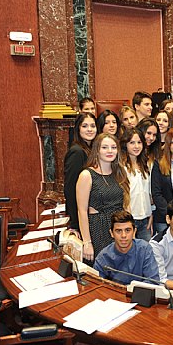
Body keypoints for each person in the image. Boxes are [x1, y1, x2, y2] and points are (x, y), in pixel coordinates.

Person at [76, 133, 128, 262]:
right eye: (104, 147)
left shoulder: (120, 173)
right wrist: (87, 242)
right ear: (97, 150)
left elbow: (126, 204)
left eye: (113, 147)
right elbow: (82, 211)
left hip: (118, 229)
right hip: (98, 230)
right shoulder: (87, 175)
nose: (110, 151)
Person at [94, 210, 159, 285]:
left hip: (140, 295)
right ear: (112, 233)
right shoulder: (103, 258)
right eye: (118, 231)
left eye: (127, 230)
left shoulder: (145, 249)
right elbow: (97, 286)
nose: (123, 235)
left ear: (134, 232)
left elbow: (153, 281)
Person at [65, 112, 97, 230]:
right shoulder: (77, 152)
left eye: (93, 126)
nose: (89, 129)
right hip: (81, 217)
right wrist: (75, 224)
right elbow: (70, 188)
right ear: (78, 129)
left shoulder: (91, 150)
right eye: (85, 126)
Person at [120, 127, 153, 241]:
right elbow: (123, 194)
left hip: (145, 219)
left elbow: (148, 193)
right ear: (125, 144)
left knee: (146, 253)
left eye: (139, 142)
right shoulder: (121, 167)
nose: (136, 146)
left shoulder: (145, 165)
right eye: (132, 143)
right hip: (129, 219)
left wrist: (150, 213)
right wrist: (127, 221)